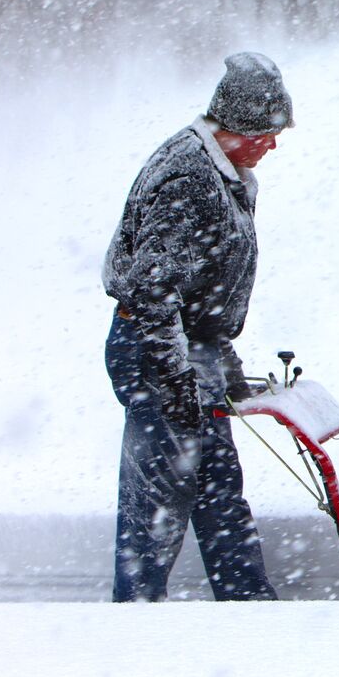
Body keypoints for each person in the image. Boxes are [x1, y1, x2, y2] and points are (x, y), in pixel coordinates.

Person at [102, 52, 293, 602]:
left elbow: (202, 294)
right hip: (155, 348)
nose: (274, 144)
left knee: (218, 492)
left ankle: (248, 607)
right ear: (240, 125)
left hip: (189, 349)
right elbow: (153, 289)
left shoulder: (223, 173)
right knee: (158, 504)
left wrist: (222, 368)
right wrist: (175, 377)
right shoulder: (189, 175)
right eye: (270, 132)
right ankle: (137, 616)